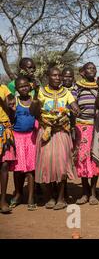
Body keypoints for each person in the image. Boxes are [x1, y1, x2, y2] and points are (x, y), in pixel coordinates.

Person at [30, 66, 79, 210]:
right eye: (54, 75)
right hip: (46, 132)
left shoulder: (66, 92)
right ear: (48, 77)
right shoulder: (41, 92)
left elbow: (74, 107)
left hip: (62, 132)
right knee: (45, 165)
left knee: (62, 166)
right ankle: (50, 196)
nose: (58, 78)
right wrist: (35, 98)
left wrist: (76, 110)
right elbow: (33, 112)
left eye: (59, 76)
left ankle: (61, 198)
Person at [72, 62, 99, 205]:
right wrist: (74, 107)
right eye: (89, 68)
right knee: (82, 159)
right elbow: (71, 101)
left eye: (94, 68)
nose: (92, 70)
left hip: (96, 127)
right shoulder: (77, 86)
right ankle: (85, 192)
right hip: (82, 127)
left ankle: (93, 192)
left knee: (95, 158)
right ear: (83, 72)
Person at [8, 77, 38, 211]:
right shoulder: (15, 102)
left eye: (26, 85)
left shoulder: (33, 100)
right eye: (21, 87)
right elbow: (11, 120)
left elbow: (38, 115)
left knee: (31, 170)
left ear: (29, 86)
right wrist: (12, 110)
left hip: (31, 137)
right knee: (18, 170)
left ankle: (31, 197)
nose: (24, 88)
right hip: (18, 138)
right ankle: (18, 193)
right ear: (17, 89)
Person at [0, 83, 15, 213]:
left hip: (3, 128)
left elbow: (10, 110)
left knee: (4, 165)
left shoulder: (4, 89)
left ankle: (3, 199)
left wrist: (1, 100)